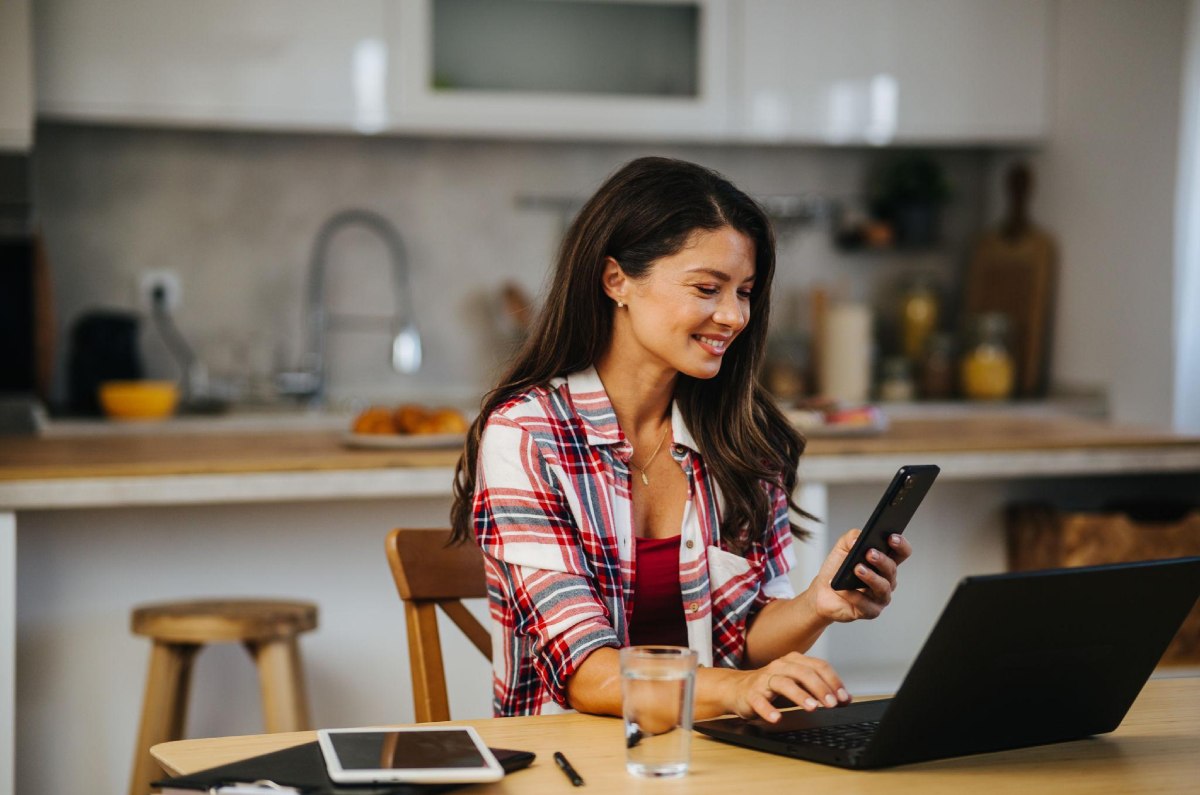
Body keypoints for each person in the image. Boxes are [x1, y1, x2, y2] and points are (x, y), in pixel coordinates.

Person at [450, 156, 911, 724]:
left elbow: (742, 638)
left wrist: (818, 604)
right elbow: (586, 674)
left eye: (744, 291)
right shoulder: (528, 434)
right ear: (616, 279)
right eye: (706, 288)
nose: (733, 315)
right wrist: (737, 690)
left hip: (710, 756)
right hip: (569, 761)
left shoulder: (741, 436)